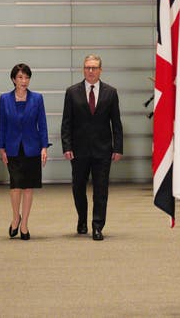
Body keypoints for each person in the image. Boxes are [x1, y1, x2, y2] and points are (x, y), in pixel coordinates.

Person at [61, 54, 123, 241]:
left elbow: (116, 123)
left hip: (103, 150)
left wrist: (117, 147)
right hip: (78, 151)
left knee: (101, 190)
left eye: (94, 67)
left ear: (100, 70)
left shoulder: (110, 93)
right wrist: (67, 146)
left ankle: (97, 226)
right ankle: (82, 219)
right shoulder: (72, 92)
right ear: (83, 69)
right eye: (88, 67)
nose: (91, 71)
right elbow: (66, 122)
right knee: (78, 188)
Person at [0, 63, 49, 241]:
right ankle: (15, 218)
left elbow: (42, 124)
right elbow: (2, 125)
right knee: (15, 186)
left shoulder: (37, 98)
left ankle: (25, 223)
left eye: (26, 77)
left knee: (28, 187)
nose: (24, 81)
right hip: (12, 147)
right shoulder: (4, 99)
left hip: (32, 147)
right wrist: (1, 148)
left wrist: (44, 147)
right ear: (13, 79)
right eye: (20, 77)